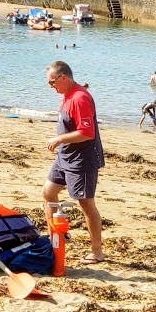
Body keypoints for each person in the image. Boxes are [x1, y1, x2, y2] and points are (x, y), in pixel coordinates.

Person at [42, 60, 105, 264]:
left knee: (86, 203)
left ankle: (97, 251)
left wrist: (59, 139)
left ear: (63, 78)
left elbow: (87, 133)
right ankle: (55, 236)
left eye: (52, 83)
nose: (51, 87)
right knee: (48, 192)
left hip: (82, 160)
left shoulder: (80, 98)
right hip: (64, 157)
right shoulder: (67, 95)